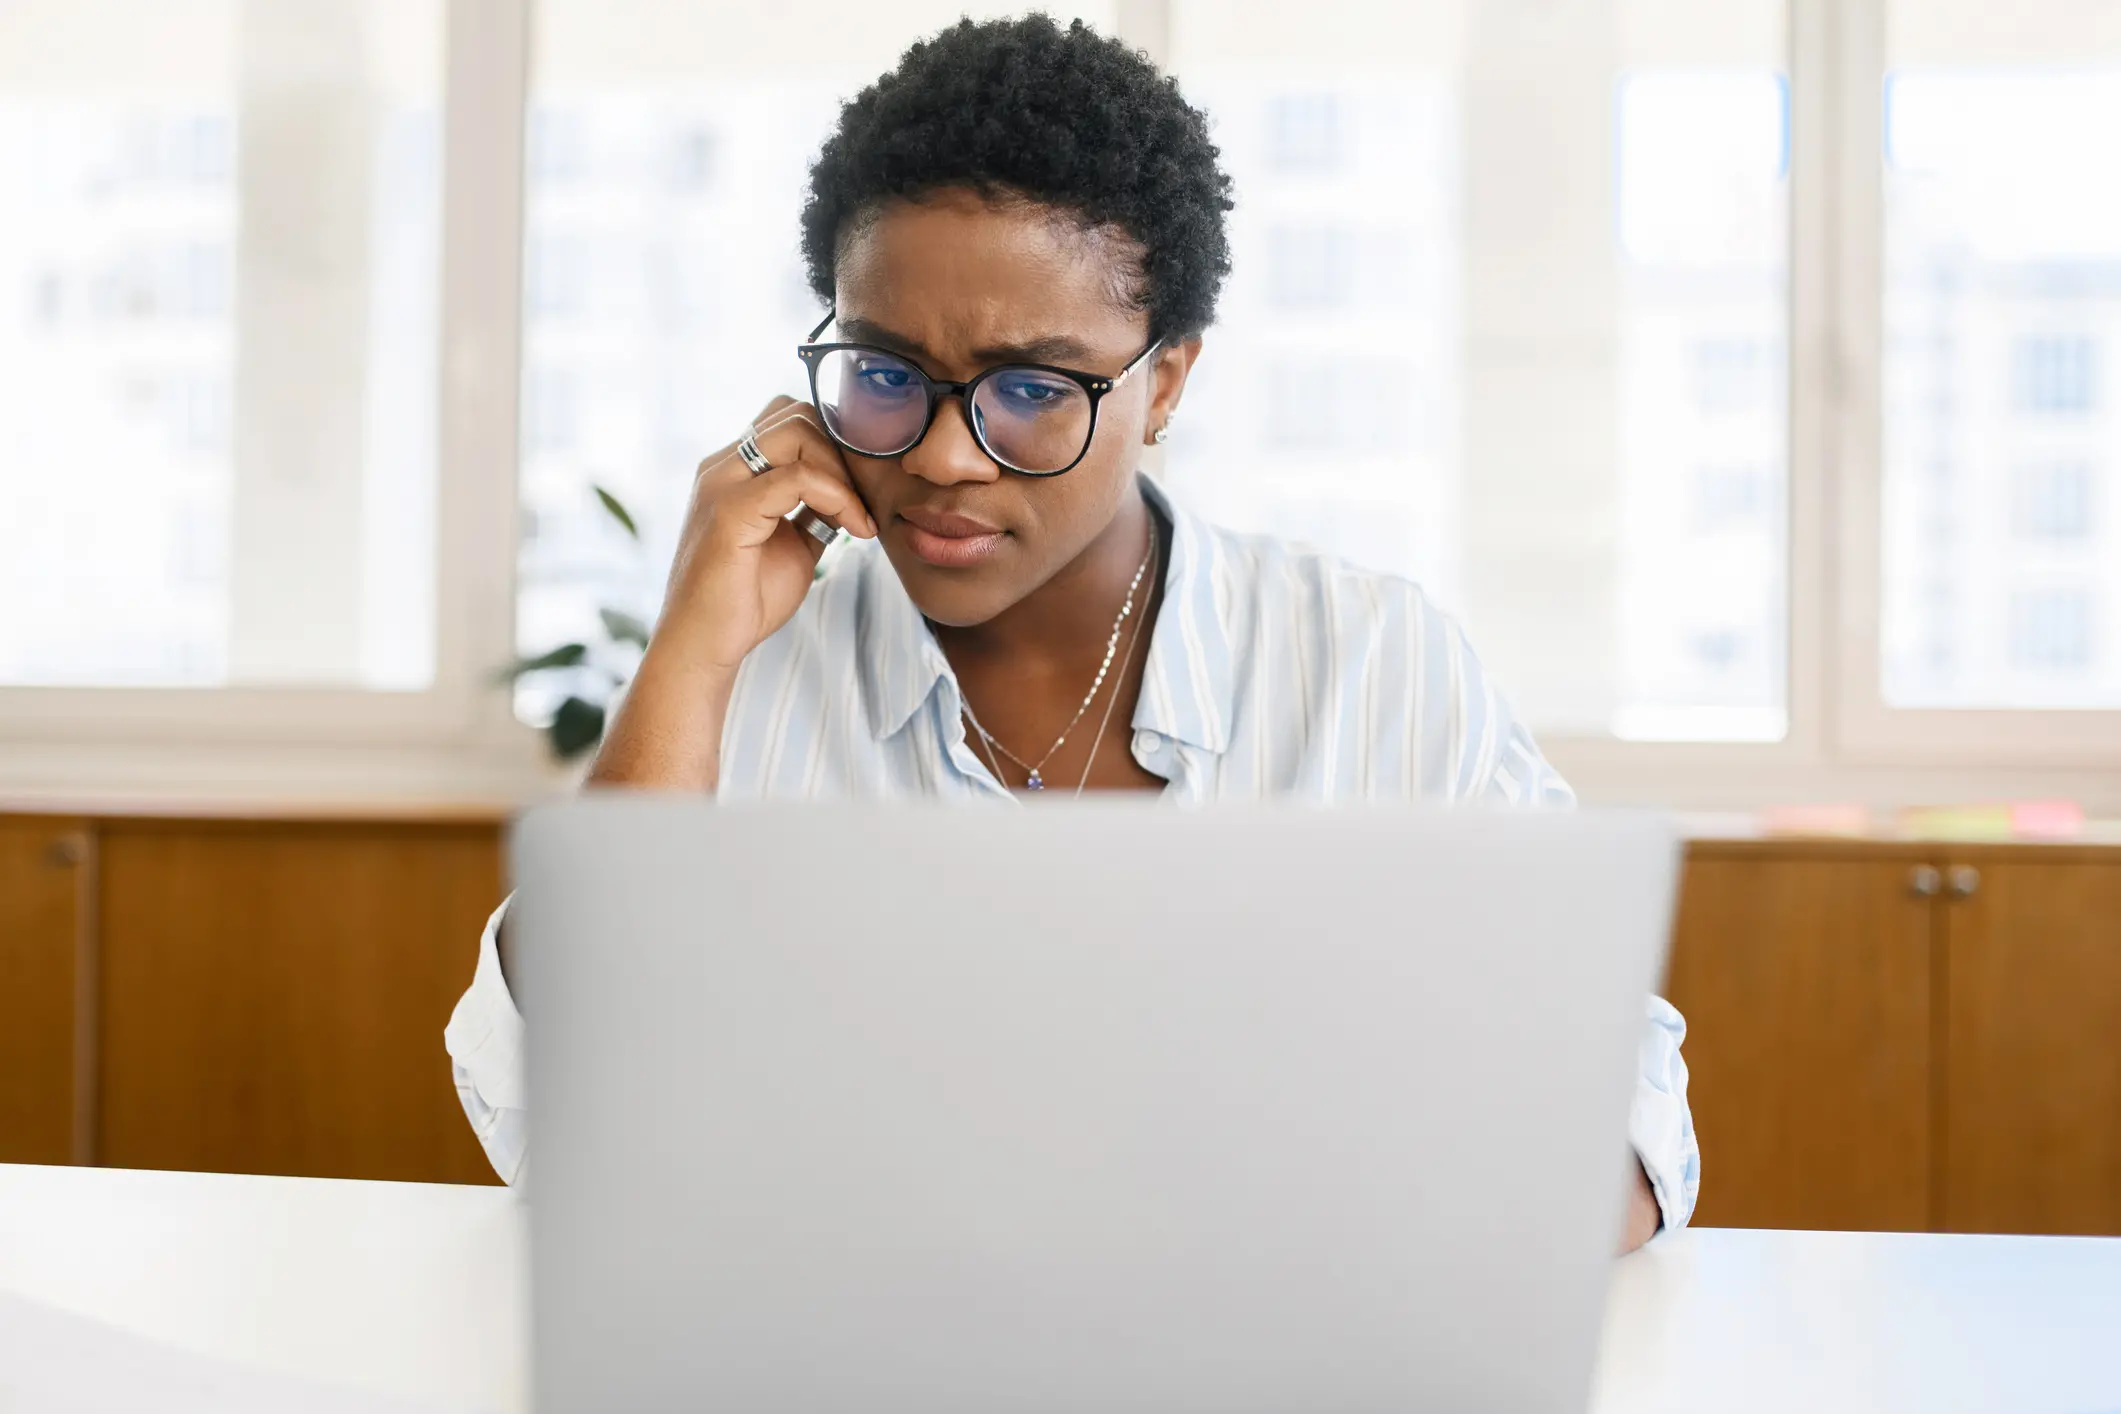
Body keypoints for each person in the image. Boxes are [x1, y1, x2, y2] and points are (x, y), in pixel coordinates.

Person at [446, 14, 1696, 1253]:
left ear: (1166, 383)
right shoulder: (743, 685)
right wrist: (687, 655)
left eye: (1034, 390)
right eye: (883, 373)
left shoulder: (1370, 662)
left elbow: (1625, 1128)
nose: (940, 456)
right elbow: (556, 1123)